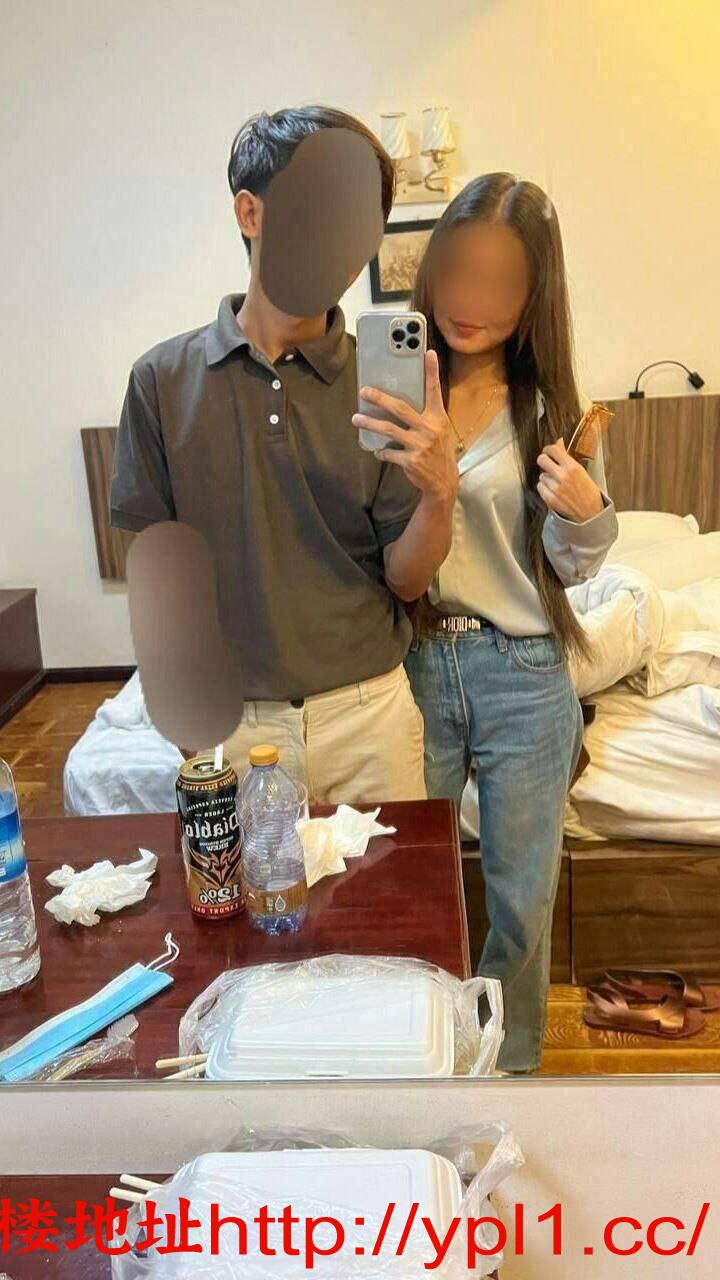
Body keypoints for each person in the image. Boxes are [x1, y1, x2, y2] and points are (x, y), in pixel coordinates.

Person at [110, 106, 457, 802]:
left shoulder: (384, 384)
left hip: (368, 716)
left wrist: (440, 493)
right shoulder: (161, 381)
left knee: (387, 883)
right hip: (230, 723)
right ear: (251, 213)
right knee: (237, 885)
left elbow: (406, 581)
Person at [403, 173, 619, 1073]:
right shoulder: (391, 390)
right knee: (408, 881)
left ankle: (508, 1066)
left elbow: (573, 567)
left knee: (522, 901)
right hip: (411, 665)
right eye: (459, 272)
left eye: (501, 282)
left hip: (524, 672)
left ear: (535, 296)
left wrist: (587, 515)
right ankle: (415, 1056)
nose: (472, 301)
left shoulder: (556, 413)